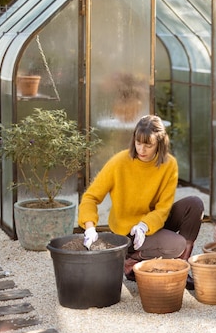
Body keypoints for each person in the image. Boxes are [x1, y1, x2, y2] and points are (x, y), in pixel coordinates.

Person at [78, 115, 204, 288]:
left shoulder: (169, 164)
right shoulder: (119, 162)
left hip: (151, 223)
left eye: (148, 145)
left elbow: (163, 208)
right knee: (176, 244)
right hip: (128, 231)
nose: (141, 149)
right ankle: (130, 260)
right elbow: (90, 197)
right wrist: (90, 227)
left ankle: (181, 268)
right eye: (138, 142)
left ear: (159, 144)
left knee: (195, 204)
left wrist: (144, 225)